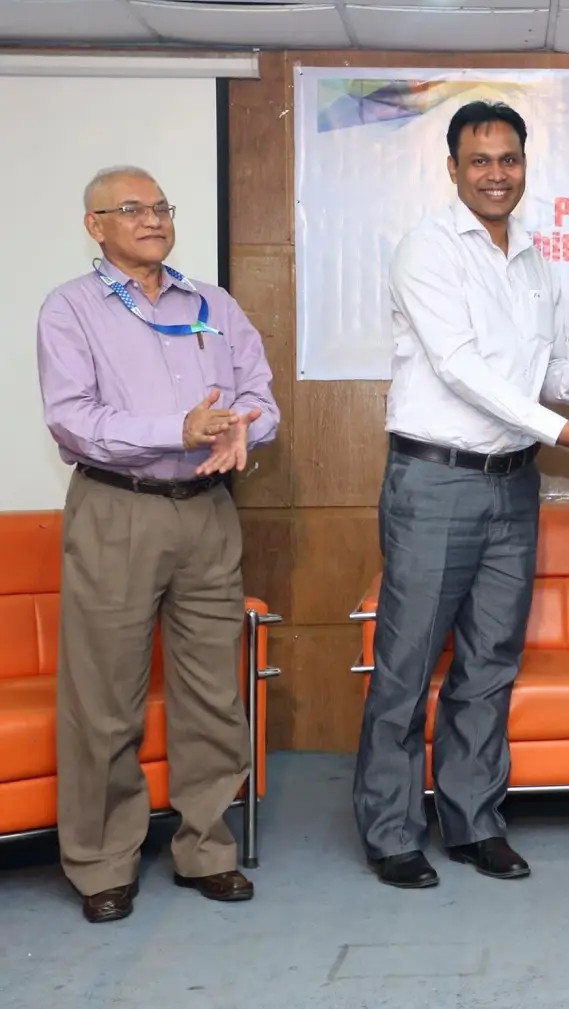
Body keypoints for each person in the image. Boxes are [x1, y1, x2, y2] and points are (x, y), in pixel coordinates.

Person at [352, 101, 569, 890]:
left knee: (489, 663)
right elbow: (460, 368)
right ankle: (390, 832)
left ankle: (474, 821)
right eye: (480, 160)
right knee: (407, 665)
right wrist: (564, 434)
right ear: (453, 168)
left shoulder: (534, 258)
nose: (496, 174)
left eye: (509, 159)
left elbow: (545, 371)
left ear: (524, 166)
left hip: (514, 486)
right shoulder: (427, 248)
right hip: (435, 482)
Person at [36, 165, 279, 923]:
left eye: (161, 207)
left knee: (212, 694)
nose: (153, 220)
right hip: (119, 507)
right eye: (131, 209)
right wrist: (176, 429)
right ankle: (103, 862)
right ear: (95, 225)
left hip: (207, 510)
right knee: (105, 697)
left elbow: (260, 396)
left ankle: (206, 848)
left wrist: (241, 427)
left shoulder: (213, 303)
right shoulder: (70, 309)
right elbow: (72, 418)